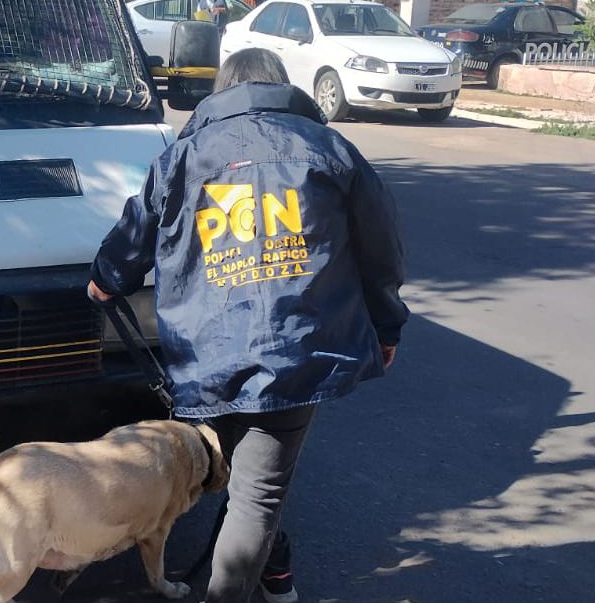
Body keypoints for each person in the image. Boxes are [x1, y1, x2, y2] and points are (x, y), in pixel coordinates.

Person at [87, 48, 408, 603]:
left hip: (207, 353)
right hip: (297, 353)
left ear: (223, 90)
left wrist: (106, 280)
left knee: (247, 481)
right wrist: (387, 327)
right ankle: (261, 575)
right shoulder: (331, 150)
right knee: (256, 490)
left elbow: (135, 234)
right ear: (282, 87)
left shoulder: (183, 156)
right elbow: (381, 252)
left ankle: (271, 571)